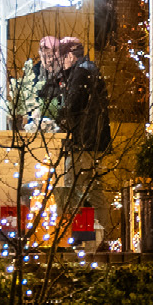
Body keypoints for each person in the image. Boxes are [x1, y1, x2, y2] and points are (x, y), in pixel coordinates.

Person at [54, 36, 110, 245]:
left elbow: (71, 107)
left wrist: (56, 115)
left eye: (62, 57)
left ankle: (78, 237)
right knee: (94, 190)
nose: (61, 62)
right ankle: (103, 237)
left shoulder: (81, 73)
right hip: (96, 142)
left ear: (69, 55)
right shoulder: (91, 69)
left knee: (71, 187)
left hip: (82, 143)